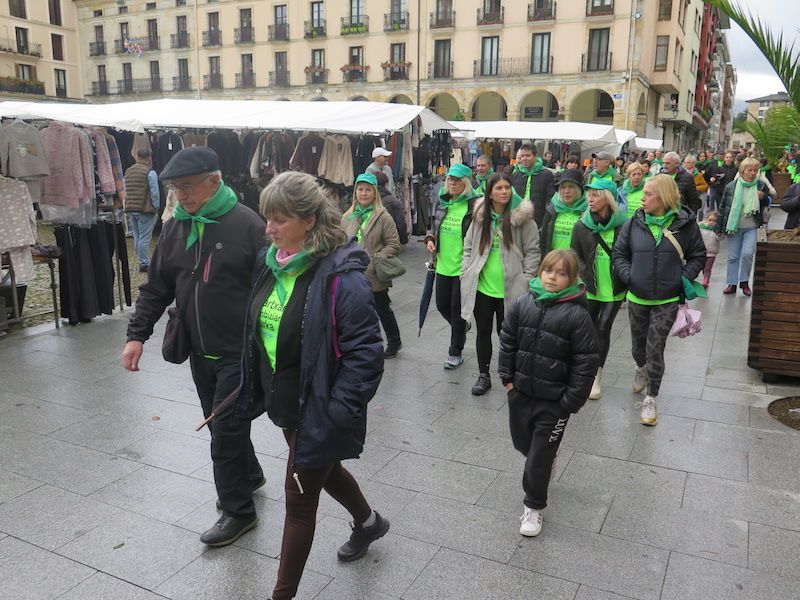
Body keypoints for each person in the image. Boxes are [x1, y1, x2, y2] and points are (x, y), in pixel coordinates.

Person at [236, 171, 388, 600]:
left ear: (309, 220)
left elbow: (366, 355)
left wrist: (333, 413)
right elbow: (261, 330)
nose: (268, 228)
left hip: (318, 409)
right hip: (286, 404)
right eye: (268, 218)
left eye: (279, 219)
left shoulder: (342, 276)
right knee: (324, 469)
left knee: (299, 502)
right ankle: (370, 522)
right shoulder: (273, 263)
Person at [122, 147, 266, 546]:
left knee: (223, 432)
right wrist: (137, 335)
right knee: (221, 424)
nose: (180, 196)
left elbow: (272, 287)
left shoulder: (247, 225)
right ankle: (250, 475)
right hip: (199, 350)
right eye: (175, 188)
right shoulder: (176, 226)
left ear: (213, 181)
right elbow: (157, 287)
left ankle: (238, 510)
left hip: (240, 352)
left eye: (187, 187)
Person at [498, 249, 599, 537]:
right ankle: (546, 458)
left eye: (561, 273)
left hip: (554, 404)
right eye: (548, 270)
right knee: (523, 446)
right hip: (520, 394)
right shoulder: (522, 303)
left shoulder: (577, 316)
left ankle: (534, 507)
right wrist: (508, 380)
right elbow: (507, 340)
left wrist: (569, 402)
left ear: (572, 278)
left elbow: (586, 360)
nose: (553, 277)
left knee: (537, 459)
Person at [612, 174, 706, 425]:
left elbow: (698, 254)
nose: (642, 198)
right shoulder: (634, 222)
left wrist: (682, 277)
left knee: (656, 349)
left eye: (648, 194)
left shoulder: (685, 224)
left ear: (663, 197)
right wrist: (629, 275)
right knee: (638, 348)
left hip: (667, 299)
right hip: (637, 297)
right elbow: (619, 252)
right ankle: (639, 367)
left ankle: (651, 399)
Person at [460, 172, 540, 396]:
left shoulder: (523, 219)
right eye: (499, 188)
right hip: (482, 286)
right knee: (483, 332)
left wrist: (527, 279)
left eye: (507, 187)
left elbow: (533, 251)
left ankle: (510, 376)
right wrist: (465, 271)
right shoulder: (480, 217)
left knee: (508, 335)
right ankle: (483, 375)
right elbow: (467, 245)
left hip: (513, 288)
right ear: (490, 193)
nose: (504, 192)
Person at [571, 179, 628, 400]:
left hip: (614, 288)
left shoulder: (624, 225)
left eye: (596, 195)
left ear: (608, 198)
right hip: (591, 286)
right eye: (589, 195)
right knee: (586, 330)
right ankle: (582, 370)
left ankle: (596, 375)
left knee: (602, 329)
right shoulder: (581, 225)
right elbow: (575, 254)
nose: (590, 199)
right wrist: (584, 275)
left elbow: (628, 254)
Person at [425, 163, 482, 369]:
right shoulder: (444, 201)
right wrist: (430, 238)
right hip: (442, 265)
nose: (452, 183)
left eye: (457, 180)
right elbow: (435, 225)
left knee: (457, 310)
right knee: (441, 305)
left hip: (463, 268)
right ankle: (462, 328)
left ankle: (455, 351)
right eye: (450, 179)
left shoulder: (475, 205)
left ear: (466, 182)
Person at [342, 172, 403, 358]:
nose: (363, 193)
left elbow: (394, 244)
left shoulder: (383, 216)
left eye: (368, 190)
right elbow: (340, 240)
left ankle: (394, 341)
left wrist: (376, 258)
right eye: (360, 189)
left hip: (373, 273)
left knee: (382, 308)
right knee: (355, 311)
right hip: (351, 273)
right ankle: (361, 343)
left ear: (374, 193)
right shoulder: (347, 216)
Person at [715, 157, 770, 296]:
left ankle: (744, 282)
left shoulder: (761, 186)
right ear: (742, 171)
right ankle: (732, 283)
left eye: (755, 170)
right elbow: (723, 208)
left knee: (747, 254)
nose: (752, 173)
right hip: (733, 227)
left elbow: (768, 202)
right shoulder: (731, 186)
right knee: (733, 256)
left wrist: (763, 197)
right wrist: (719, 227)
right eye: (750, 170)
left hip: (751, 227)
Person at [123, 148, 160, 272]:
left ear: (137, 157)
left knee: (137, 236)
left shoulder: (128, 171)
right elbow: (154, 192)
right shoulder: (150, 172)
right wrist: (156, 206)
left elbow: (125, 189)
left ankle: (141, 260)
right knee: (144, 237)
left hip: (131, 208)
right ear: (149, 157)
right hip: (145, 209)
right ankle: (144, 263)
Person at [539, 168, 588, 255]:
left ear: (579, 189)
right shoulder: (552, 210)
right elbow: (544, 240)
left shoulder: (587, 211)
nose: (566, 191)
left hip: (576, 263)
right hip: (554, 260)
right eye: (563, 187)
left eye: (571, 187)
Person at [510, 143, 556, 227]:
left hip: (538, 220)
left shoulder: (546, 174)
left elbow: (550, 199)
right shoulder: (516, 175)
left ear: (535, 156)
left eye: (527, 155)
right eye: (522, 156)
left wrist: (545, 221)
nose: (524, 159)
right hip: (518, 220)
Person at [374, 170, 408, 245]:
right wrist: (403, 240)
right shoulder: (393, 201)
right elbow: (400, 223)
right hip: (389, 240)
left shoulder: (366, 201)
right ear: (385, 183)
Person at [698, 211, 720, 288]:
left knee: (708, 267)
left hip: (712, 253)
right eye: (710, 220)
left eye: (714, 221)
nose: (711, 222)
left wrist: (719, 232)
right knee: (703, 267)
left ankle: (706, 280)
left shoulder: (716, 231)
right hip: (702, 251)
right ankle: (705, 278)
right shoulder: (702, 228)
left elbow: (721, 238)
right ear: (707, 220)